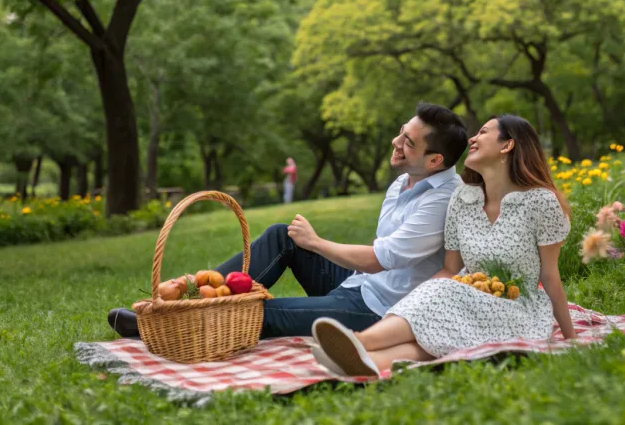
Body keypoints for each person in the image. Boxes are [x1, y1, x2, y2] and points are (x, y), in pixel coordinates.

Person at [107, 102, 468, 340]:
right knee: (283, 237)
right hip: (359, 284)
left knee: (261, 314)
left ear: (435, 160)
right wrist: (306, 244)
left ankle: (169, 327)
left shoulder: (442, 199)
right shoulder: (404, 182)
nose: (395, 142)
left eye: (407, 141)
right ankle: (190, 297)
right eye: (401, 132)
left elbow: (382, 258)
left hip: (379, 310)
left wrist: (316, 243)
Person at [309, 114, 577, 377]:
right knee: (438, 316)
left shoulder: (541, 203)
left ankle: (358, 342)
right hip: (467, 295)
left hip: (516, 307)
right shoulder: (463, 198)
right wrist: (420, 300)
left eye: (483, 132)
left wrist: (571, 338)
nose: (473, 137)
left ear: (507, 145)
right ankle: (367, 361)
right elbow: (450, 269)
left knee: (444, 298)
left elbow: (550, 276)